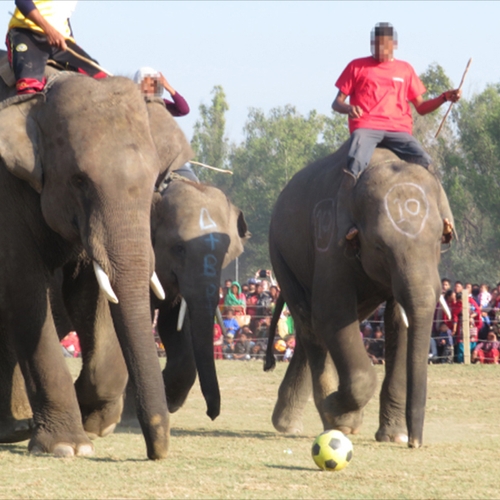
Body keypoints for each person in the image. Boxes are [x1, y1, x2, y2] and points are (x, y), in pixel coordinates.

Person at [332, 22, 461, 240]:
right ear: (371, 44)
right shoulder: (357, 67)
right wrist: (348, 108)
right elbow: (336, 103)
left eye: (384, 46)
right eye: (375, 46)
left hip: (398, 130)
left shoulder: (405, 69)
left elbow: (420, 107)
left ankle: (444, 219)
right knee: (353, 164)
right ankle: (347, 223)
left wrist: (444, 98)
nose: (379, 51)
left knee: (427, 164)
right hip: (366, 126)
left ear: (394, 45)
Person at [6, 0, 107, 94]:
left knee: (101, 77)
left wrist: (71, 41)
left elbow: (64, 15)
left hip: (59, 39)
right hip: (26, 32)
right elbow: (22, 2)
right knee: (28, 87)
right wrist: (49, 31)